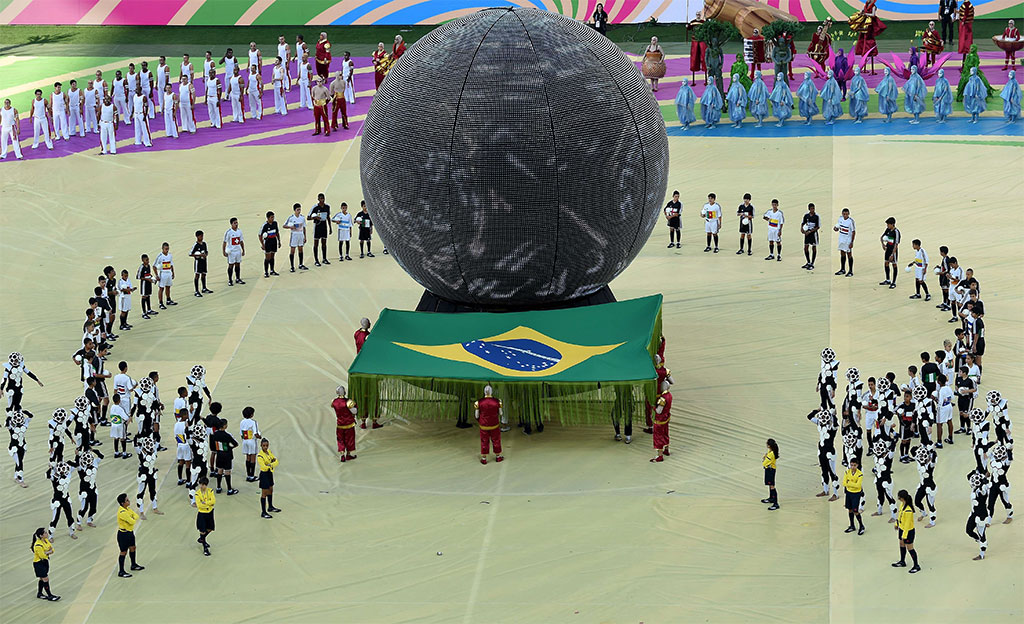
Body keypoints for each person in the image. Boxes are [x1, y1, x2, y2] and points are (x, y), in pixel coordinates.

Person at [115, 492, 144, 577]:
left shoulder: (128, 509)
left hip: (130, 533)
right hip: (123, 535)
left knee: (133, 548)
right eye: (127, 500)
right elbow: (132, 521)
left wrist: (132, 518)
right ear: (122, 503)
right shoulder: (122, 512)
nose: (129, 501)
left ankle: (133, 564)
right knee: (123, 552)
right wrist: (132, 518)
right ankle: (121, 571)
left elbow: (136, 516)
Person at [893, 489, 921, 572]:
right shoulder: (902, 505)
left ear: (902, 498)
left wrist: (904, 536)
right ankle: (902, 561)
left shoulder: (908, 510)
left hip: (908, 531)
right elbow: (900, 515)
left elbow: (907, 524)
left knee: (910, 548)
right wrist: (897, 523)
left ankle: (916, 565)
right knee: (901, 544)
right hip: (902, 529)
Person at [476, 385, 504, 464]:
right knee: (496, 440)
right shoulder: (497, 401)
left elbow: (476, 415)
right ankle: (498, 456)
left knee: (484, 441)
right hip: (494, 424)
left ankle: (484, 458)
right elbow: (501, 413)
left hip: (483, 425)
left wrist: (480, 420)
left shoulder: (479, 402)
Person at [210, 418, 239, 495]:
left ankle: (218, 487)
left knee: (219, 470)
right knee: (227, 471)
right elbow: (235, 444)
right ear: (224, 426)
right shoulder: (227, 435)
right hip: (227, 455)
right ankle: (229, 489)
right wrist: (230, 447)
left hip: (219, 454)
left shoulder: (215, 434)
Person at [31, 526, 60, 601]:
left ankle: (39, 594)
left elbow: (52, 549)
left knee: (42, 578)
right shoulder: (38, 545)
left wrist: (48, 552)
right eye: (45, 533)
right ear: (41, 535)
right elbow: (42, 555)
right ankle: (50, 595)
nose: (47, 534)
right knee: (45, 578)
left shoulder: (46, 541)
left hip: (45, 562)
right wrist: (48, 552)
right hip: (39, 563)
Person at [332, 386, 358, 462]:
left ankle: (342, 455)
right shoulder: (348, 402)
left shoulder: (334, 402)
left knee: (340, 440)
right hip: (349, 424)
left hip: (340, 424)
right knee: (349, 439)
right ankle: (348, 454)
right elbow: (355, 411)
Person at [258, 438, 282, 518]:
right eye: (264, 446)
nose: (265, 447)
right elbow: (264, 467)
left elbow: (276, 461)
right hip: (264, 475)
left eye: (267, 445)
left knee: (271, 490)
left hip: (269, 473)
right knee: (264, 493)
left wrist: (270, 464)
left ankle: (270, 506)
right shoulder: (260, 456)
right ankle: (263, 512)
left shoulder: (269, 452)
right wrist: (271, 463)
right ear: (261, 446)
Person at [649, 380, 672, 463]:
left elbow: (659, 411)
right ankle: (666, 449)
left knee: (658, 436)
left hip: (660, 419)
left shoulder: (662, 399)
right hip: (666, 418)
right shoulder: (669, 395)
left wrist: (653, 407)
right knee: (665, 433)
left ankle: (659, 455)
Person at [842, 459, 866, 534]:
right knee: (849, 509)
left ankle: (861, 526)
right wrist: (853, 484)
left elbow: (858, 485)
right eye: (851, 465)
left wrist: (849, 483)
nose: (852, 467)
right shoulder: (847, 472)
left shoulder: (860, 474)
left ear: (857, 465)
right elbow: (844, 483)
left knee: (855, 510)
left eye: (854, 465)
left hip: (856, 494)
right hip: (849, 493)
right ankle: (852, 526)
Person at [309, 194, 333, 266]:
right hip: (317, 226)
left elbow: (328, 217)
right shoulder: (315, 208)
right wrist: (315, 218)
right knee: (316, 243)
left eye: (323, 198)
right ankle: (316, 260)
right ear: (318, 199)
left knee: (324, 243)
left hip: (324, 226)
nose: (322, 200)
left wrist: (330, 227)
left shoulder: (327, 207)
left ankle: (324, 258)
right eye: (320, 199)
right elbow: (308, 217)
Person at [284, 203, 308, 272]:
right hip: (294, 235)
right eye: (298, 210)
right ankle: (292, 266)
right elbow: (284, 226)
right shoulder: (291, 218)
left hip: (301, 234)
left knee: (300, 249)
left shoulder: (302, 218)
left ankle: (301, 264)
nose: (299, 211)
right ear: (294, 210)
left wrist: (305, 237)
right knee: (292, 250)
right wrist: (290, 227)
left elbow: (304, 227)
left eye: (300, 209)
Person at [239, 406, 261, 482]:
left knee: (247, 457)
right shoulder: (253, 422)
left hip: (245, 441)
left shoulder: (242, 422)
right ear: (252, 415)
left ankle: (248, 475)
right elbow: (256, 433)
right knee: (253, 457)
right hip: (251, 441)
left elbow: (241, 434)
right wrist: (260, 437)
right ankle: (252, 475)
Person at [834, 207, 856, 277]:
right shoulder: (840, 219)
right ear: (842, 214)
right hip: (841, 239)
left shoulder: (850, 221)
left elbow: (853, 232)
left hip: (847, 240)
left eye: (846, 214)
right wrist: (835, 228)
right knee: (842, 254)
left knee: (849, 254)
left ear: (849, 214)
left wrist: (852, 242)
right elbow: (838, 228)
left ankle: (850, 271)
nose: (845, 215)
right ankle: (843, 269)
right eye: (844, 214)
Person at [223, 217, 245, 286]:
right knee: (231, 266)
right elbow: (224, 242)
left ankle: (238, 278)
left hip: (238, 251)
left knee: (238, 265)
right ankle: (230, 280)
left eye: (237, 222)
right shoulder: (229, 232)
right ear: (231, 224)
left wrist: (243, 250)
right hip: (231, 252)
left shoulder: (239, 231)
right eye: (234, 223)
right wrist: (224, 251)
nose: (236, 224)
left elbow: (241, 241)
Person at [879, 217, 900, 289]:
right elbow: (881, 237)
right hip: (888, 249)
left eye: (888, 224)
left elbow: (896, 244)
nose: (887, 226)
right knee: (886, 263)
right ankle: (888, 279)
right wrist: (883, 245)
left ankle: (894, 282)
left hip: (893, 251)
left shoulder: (896, 232)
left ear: (892, 224)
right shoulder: (888, 230)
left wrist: (892, 254)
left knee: (894, 265)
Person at [155, 242, 176, 310]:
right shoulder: (160, 256)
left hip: (168, 273)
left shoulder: (170, 255)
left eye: (168, 249)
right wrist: (157, 275)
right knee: (161, 288)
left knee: (168, 287)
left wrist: (173, 272)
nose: (167, 250)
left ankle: (168, 300)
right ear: (162, 249)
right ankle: (161, 303)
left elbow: (171, 264)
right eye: (166, 249)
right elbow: (154, 266)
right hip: (163, 273)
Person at [259, 211, 281, 277]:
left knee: (272, 256)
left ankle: (272, 270)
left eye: (273, 217)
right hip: (267, 243)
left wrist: (279, 241)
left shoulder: (275, 223)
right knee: (267, 258)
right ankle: (266, 272)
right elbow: (260, 235)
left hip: (274, 241)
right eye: (271, 217)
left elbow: (277, 233)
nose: (273, 218)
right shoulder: (265, 225)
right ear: (268, 218)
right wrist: (262, 244)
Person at [189, 231, 209, 297]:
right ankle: (196, 291)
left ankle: (204, 288)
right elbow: (190, 253)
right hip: (198, 262)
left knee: (204, 274)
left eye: (202, 236)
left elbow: (206, 252)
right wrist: (198, 255)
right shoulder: (196, 245)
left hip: (204, 261)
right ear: (197, 237)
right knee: (197, 275)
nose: (202, 237)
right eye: (201, 236)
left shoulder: (204, 244)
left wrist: (205, 255)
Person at [800, 203, 821, 270]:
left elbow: (818, 227)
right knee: (806, 247)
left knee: (813, 248)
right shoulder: (806, 216)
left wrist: (810, 231)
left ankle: (812, 263)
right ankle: (808, 262)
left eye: (813, 208)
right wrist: (802, 229)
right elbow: (803, 223)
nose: (813, 210)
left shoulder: (816, 216)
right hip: (807, 234)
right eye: (811, 208)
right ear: (809, 209)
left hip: (813, 234)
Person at [762, 438, 780, 510]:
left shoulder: (771, 454)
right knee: (770, 484)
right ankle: (771, 498)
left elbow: (765, 462)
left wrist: (764, 459)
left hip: (770, 470)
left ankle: (775, 503)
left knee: (772, 485)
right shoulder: (771, 451)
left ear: (769, 445)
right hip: (769, 469)